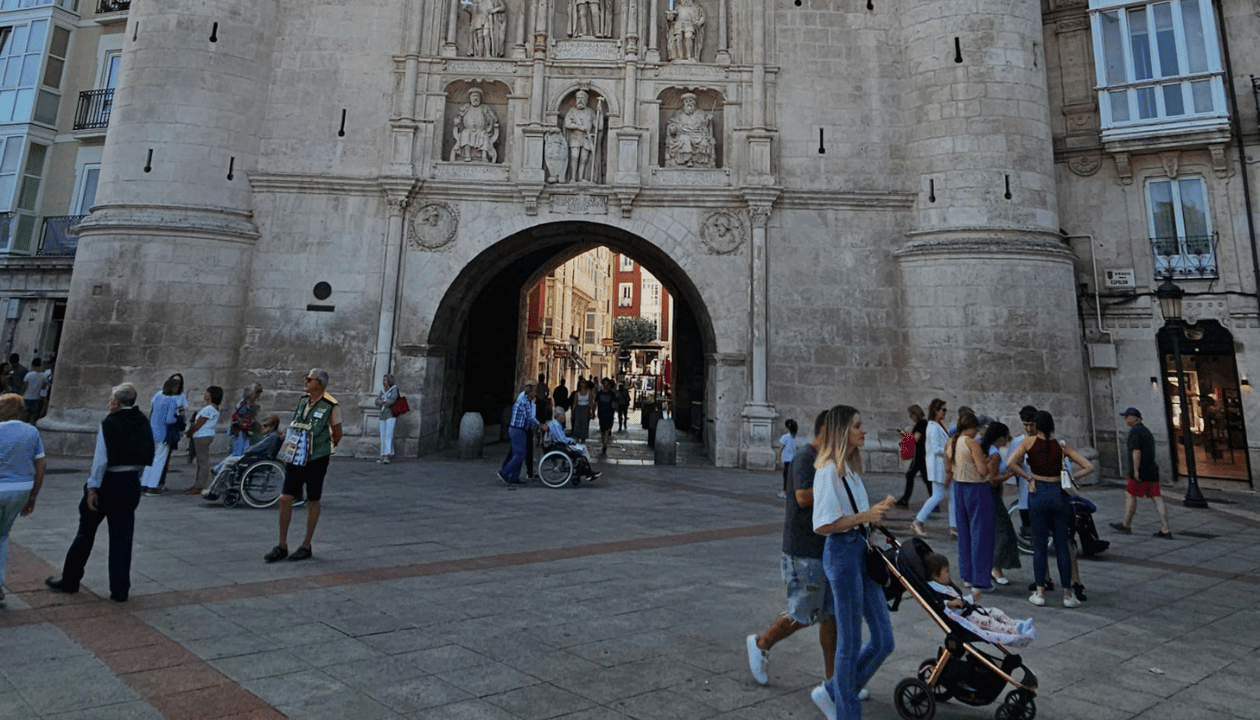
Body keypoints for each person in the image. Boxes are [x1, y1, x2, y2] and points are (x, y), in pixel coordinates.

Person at [746, 411, 842, 693]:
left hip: (825, 547)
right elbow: (802, 497)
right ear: (824, 431)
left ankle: (833, 680)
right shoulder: (804, 457)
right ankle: (762, 643)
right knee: (804, 612)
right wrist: (836, 484)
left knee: (831, 617)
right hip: (804, 549)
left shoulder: (830, 460)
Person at [811, 405, 896, 720]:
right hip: (842, 555)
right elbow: (822, 525)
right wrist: (864, 516)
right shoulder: (828, 471)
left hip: (860, 551)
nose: (864, 430)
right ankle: (847, 712)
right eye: (858, 425)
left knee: (884, 639)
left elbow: (853, 518)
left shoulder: (850, 470)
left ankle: (833, 691)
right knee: (849, 641)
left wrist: (873, 515)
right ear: (842, 431)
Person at [46, 384, 154, 602]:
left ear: (115, 401)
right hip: (130, 481)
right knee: (122, 538)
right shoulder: (142, 421)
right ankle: (120, 588)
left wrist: (92, 488)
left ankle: (70, 579)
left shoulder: (110, 423)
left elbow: (100, 460)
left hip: (109, 481)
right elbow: (146, 451)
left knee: (86, 531)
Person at [1006, 411, 1094, 608]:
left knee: (1039, 545)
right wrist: (1071, 479)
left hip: (1038, 492)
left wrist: (1028, 478)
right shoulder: (1061, 446)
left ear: (1036, 425)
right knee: (1062, 543)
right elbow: (1088, 466)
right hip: (1058, 493)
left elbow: (1010, 463)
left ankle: (1040, 592)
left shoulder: (1028, 443)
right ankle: (1068, 594)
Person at [264, 368, 341, 563]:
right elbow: (297, 423)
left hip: (316, 459)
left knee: (313, 499)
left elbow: (337, 433)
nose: (305, 382)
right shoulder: (302, 402)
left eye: (309, 379)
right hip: (296, 455)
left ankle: (306, 545)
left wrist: (322, 448)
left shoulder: (330, 405)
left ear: (319, 383)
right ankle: (281, 545)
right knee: (285, 498)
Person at [924, 553, 1034, 640]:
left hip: (970, 610)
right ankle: (1013, 631)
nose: (949, 574)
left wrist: (971, 598)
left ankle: (1016, 624)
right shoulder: (935, 590)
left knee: (994, 611)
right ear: (936, 575)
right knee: (990, 622)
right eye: (946, 572)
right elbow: (936, 603)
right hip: (965, 618)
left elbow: (960, 601)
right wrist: (950, 603)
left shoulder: (946, 587)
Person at [0, 393, 44, 604]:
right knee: (2, 535)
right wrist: (33, 495)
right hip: (21, 488)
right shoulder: (31, 431)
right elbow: (41, 465)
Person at [949, 412, 993, 601]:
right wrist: (989, 463)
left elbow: (947, 466)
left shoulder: (953, 441)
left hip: (959, 486)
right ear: (974, 428)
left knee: (965, 532)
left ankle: (967, 574)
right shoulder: (972, 443)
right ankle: (980, 579)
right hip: (976, 488)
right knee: (980, 533)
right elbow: (983, 471)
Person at [1110, 408, 1172, 539]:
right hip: (1152, 469)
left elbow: (1136, 452)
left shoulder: (1135, 432)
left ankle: (1126, 524)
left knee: (1130, 494)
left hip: (1141, 470)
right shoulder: (1146, 431)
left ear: (1133, 417)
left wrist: (1136, 470)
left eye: (1126, 416)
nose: (1125, 419)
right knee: (1157, 498)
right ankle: (1165, 527)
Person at [203, 414, 283, 502]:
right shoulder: (273, 436)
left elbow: (256, 448)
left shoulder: (271, 437)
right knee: (230, 463)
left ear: (273, 426)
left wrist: (247, 450)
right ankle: (217, 488)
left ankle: (215, 490)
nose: (262, 428)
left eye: (265, 426)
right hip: (258, 458)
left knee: (229, 462)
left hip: (257, 459)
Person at [981, 422, 1021, 585]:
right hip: (992, 496)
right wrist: (1010, 473)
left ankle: (993, 566)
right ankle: (996, 567)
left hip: (985, 495)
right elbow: (992, 480)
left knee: (993, 532)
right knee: (1002, 532)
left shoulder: (986, 449)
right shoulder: (995, 454)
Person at [910, 398, 949, 537]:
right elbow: (936, 448)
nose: (945, 413)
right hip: (938, 465)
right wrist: (950, 451)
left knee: (943, 495)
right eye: (943, 410)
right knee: (938, 495)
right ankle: (918, 520)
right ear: (936, 411)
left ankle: (954, 527)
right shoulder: (933, 426)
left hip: (941, 465)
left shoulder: (938, 426)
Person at [141, 376, 183, 496]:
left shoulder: (158, 397)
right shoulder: (171, 401)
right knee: (160, 460)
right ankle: (152, 486)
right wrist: (178, 418)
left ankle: (144, 483)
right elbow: (169, 419)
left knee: (150, 460)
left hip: (153, 431)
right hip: (164, 433)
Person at [497, 378, 539, 486]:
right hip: (517, 430)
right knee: (519, 454)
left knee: (520, 453)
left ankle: (514, 477)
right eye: (534, 390)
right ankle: (504, 472)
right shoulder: (524, 400)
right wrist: (540, 425)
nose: (536, 393)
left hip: (521, 429)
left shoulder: (528, 400)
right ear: (529, 390)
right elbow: (529, 417)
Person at [545, 408, 601, 481]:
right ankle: (588, 470)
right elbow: (561, 439)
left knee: (582, 448)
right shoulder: (556, 425)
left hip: (559, 444)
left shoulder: (555, 424)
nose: (564, 417)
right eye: (563, 415)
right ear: (558, 416)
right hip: (561, 446)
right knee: (583, 449)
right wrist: (571, 440)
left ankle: (587, 470)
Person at [186, 386, 223, 495]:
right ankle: (198, 484)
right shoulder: (213, 408)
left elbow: (199, 424)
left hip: (202, 436)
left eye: (207, 393)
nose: (205, 394)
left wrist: (190, 432)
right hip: (204, 436)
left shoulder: (209, 409)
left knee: (202, 461)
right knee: (201, 461)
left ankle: (200, 485)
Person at [665, 93, 716, 167]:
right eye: (686, 101)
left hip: (698, 135)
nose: (689, 103)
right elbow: (672, 123)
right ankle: (688, 160)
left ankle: (701, 162)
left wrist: (708, 119)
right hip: (683, 134)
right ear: (683, 104)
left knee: (704, 142)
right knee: (685, 140)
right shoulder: (678, 113)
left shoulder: (701, 113)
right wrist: (673, 128)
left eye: (691, 101)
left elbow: (705, 124)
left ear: (694, 103)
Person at [451, 87, 500, 162]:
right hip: (468, 130)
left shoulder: (485, 108)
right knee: (465, 134)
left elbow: (493, 117)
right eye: (473, 96)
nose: (475, 98)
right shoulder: (466, 107)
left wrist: (492, 121)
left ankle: (484, 156)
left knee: (484, 137)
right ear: (470, 98)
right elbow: (459, 116)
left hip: (481, 131)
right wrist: (457, 120)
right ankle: (467, 155)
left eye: (477, 96)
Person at [896, 405, 929, 508]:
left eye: (911, 414)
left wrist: (904, 435)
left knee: (913, 476)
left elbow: (916, 438)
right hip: (921, 455)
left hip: (919, 455)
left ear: (915, 414)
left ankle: (905, 500)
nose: (910, 417)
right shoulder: (923, 423)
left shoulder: (921, 424)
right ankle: (905, 499)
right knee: (923, 478)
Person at [229, 384, 263, 457]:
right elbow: (235, 415)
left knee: (243, 452)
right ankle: (218, 468)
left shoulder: (250, 404)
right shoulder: (243, 404)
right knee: (237, 454)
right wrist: (242, 423)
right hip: (239, 430)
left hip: (245, 430)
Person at [375, 374, 400, 464]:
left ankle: (387, 455)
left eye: (385, 380)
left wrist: (383, 401)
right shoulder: (382, 391)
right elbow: (377, 400)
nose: (384, 381)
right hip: (383, 414)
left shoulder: (394, 390)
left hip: (391, 414)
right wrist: (382, 401)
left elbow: (392, 400)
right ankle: (383, 454)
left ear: (390, 381)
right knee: (383, 435)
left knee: (388, 435)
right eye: (383, 380)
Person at [777, 418, 799, 500]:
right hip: (792, 459)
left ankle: (785, 491)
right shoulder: (794, 438)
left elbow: (781, 448)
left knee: (786, 475)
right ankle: (790, 490)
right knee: (791, 476)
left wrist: (778, 458)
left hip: (786, 459)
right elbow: (796, 448)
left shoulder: (785, 437)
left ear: (787, 428)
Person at [21, 358, 47, 424]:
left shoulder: (29, 375)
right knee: (33, 415)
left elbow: (24, 386)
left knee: (25, 414)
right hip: (36, 398)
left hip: (27, 397)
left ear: (32, 365)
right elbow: (43, 387)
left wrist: (21, 394)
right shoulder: (43, 375)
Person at [595, 378, 617, 454]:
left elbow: (614, 404)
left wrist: (613, 413)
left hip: (609, 414)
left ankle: (605, 444)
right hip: (601, 413)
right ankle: (604, 442)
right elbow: (596, 403)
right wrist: (594, 411)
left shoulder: (611, 394)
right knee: (602, 429)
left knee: (607, 429)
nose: (606, 386)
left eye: (607, 384)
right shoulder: (599, 393)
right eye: (604, 384)